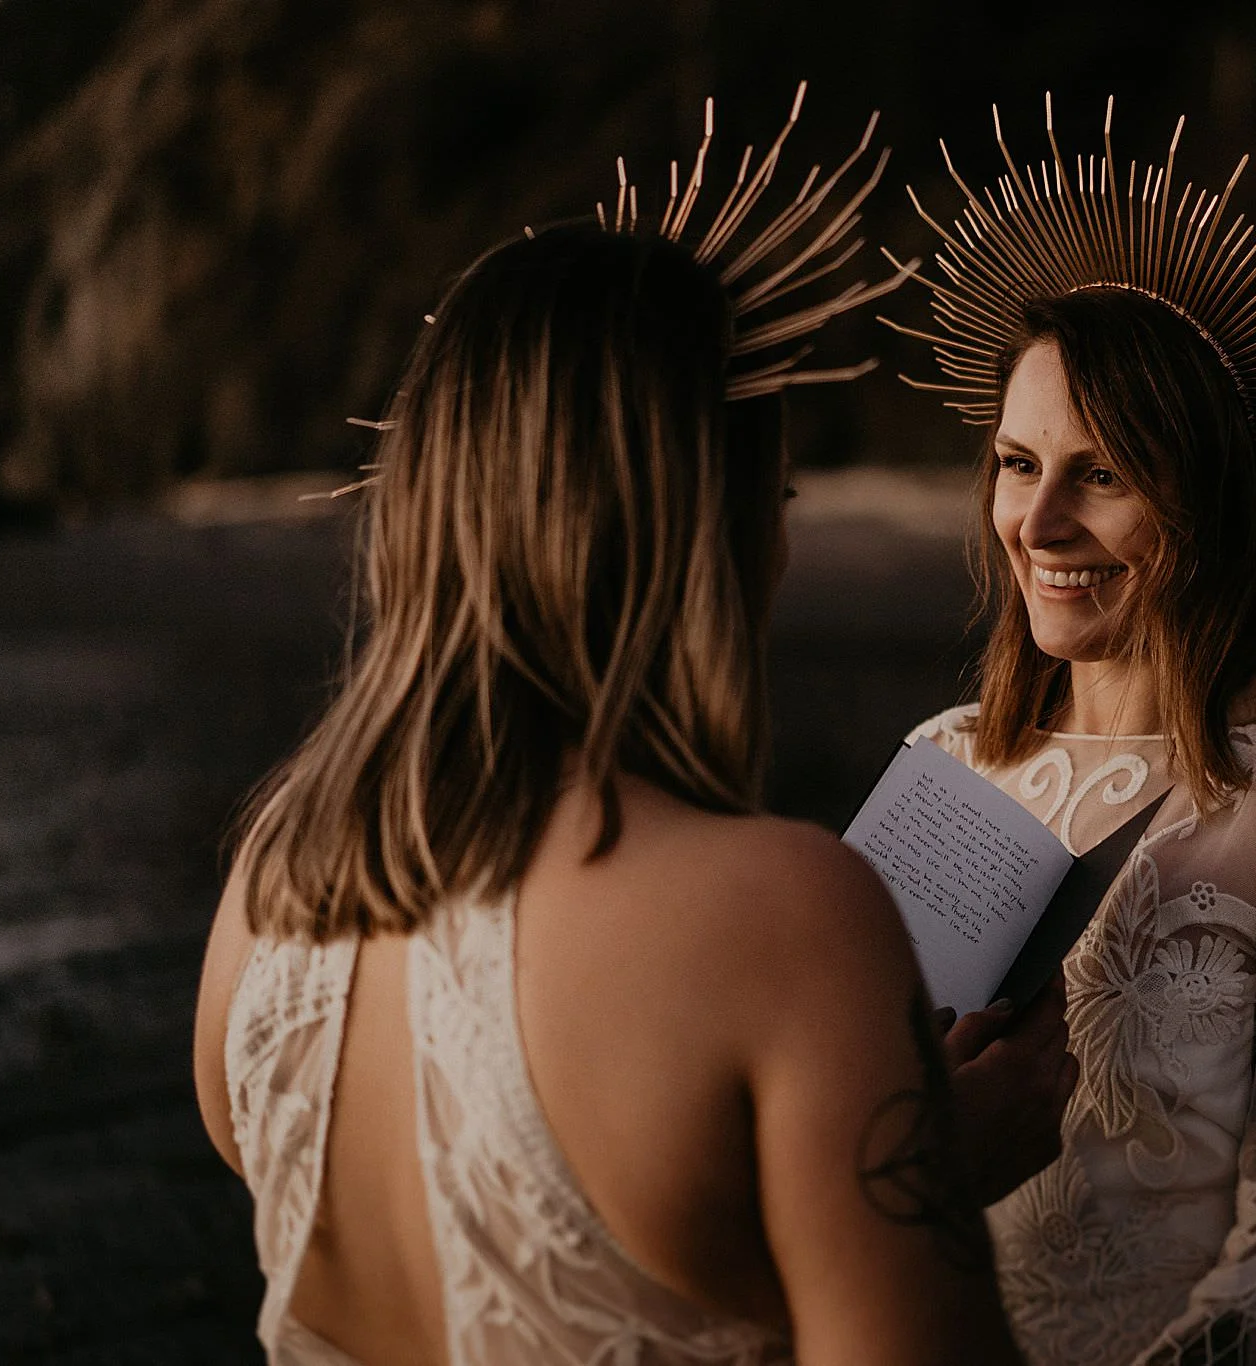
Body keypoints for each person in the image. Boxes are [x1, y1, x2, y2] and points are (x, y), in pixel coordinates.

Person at [189, 95, 1032, 1366]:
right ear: (711, 520)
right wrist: (935, 1177)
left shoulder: (271, 890)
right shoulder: (783, 912)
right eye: (777, 492)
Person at [886, 99, 1256, 1366]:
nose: (1036, 524)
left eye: (1100, 474)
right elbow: (846, 1155)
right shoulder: (943, 761)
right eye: (1013, 462)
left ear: (1214, 502)